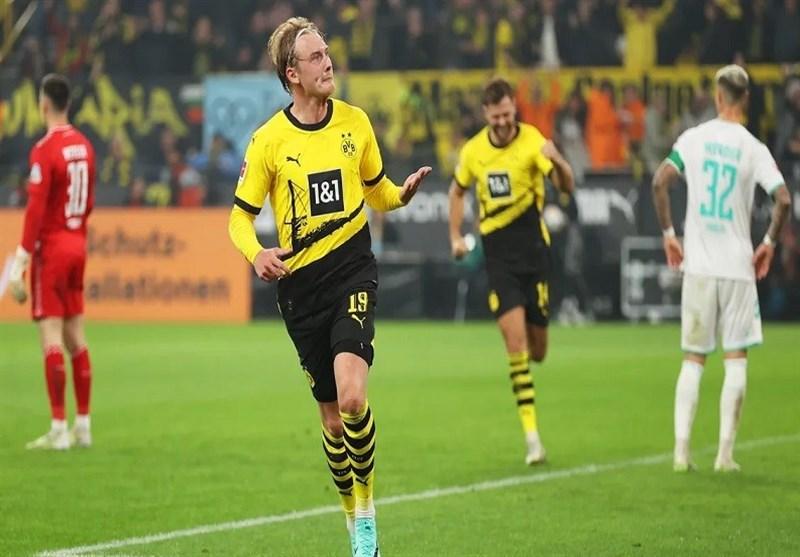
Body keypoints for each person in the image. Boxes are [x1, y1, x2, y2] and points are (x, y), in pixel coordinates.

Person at [227, 17, 430, 557]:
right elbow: (239, 218)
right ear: (292, 74)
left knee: (353, 396)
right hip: (300, 288)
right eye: (315, 57)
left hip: (352, 269)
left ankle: (367, 514)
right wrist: (256, 253)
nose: (328, 62)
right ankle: (350, 515)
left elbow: (376, 190)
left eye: (327, 53)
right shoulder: (268, 141)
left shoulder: (355, 123)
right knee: (332, 420)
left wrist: (400, 195)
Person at [651, 64, 792, 473]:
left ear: (717, 96)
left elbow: (659, 182)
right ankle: (724, 455)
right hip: (737, 266)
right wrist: (767, 243)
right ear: (745, 99)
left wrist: (669, 234)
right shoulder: (753, 147)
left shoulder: (693, 139)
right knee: (736, 359)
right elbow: (783, 199)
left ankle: (681, 452)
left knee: (693, 359)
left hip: (698, 266)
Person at [448, 78, 574, 465]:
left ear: (514, 109)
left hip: (534, 256)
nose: (502, 123)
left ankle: (532, 430)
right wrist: (455, 235)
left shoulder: (533, 141)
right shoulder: (473, 151)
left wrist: (559, 162)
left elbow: (566, 187)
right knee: (515, 346)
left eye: (507, 115)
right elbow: (457, 191)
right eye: (496, 117)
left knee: (538, 352)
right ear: (486, 114)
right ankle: (532, 438)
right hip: (498, 259)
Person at [8, 73, 97, 451]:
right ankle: (84, 425)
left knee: (51, 337)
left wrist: (21, 259)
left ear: (43, 105)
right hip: (78, 243)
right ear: (68, 103)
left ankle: (59, 427)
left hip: (53, 249)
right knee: (76, 336)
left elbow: (35, 209)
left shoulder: (45, 150)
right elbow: (88, 202)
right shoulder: (85, 146)